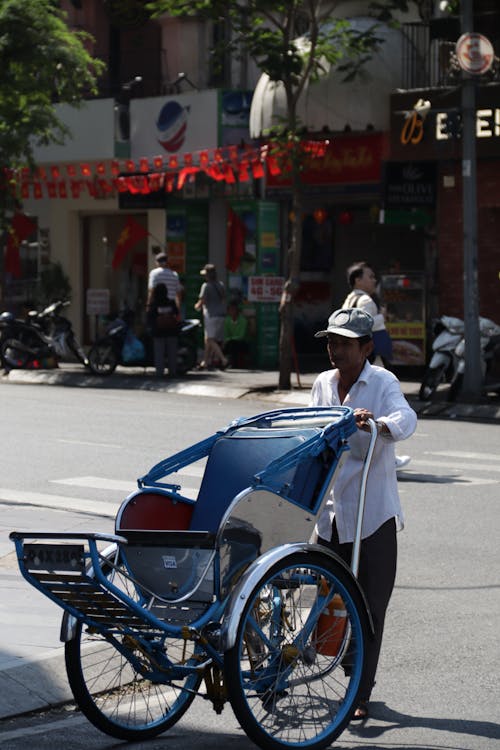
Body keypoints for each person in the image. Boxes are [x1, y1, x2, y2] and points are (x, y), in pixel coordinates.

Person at [310, 307, 417, 722]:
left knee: (371, 609)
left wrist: (380, 425)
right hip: (331, 514)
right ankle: (333, 670)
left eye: (344, 343)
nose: (335, 350)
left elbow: (405, 418)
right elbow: (310, 426)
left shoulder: (383, 381)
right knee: (330, 600)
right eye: (331, 342)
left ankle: (360, 691)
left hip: (373, 516)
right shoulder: (322, 383)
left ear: (366, 347)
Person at [343, 261, 411, 470]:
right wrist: (383, 315)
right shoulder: (364, 300)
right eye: (370, 276)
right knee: (379, 403)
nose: (373, 280)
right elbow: (367, 323)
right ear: (358, 280)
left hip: (355, 356)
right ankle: (388, 455)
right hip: (368, 354)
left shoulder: (349, 299)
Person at [194, 263, 228, 370]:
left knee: (210, 339)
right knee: (208, 339)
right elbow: (223, 299)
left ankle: (223, 359)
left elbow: (202, 301)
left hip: (211, 315)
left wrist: (196, 306)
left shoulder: (206, 286)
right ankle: (205, 362)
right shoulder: (221, 285)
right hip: (221, 315)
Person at [146, 283, 179, 378]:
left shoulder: (154, 304)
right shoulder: (171, 302)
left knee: (159, 354)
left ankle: (159, 373)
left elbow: (150, 317)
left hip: (158, 332)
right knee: (172, 354)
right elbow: (176, 313)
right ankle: (172, 372)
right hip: (172, 331)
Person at [223, 301, 249, 367]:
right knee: (228, 344)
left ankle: (235, 363)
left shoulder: (243, 320)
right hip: (230, 342)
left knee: (233, 344)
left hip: (242, 342)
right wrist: (228, 340)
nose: (232, 312)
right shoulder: (227, 320)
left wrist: (230, 339)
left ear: (237, 311)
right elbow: (226, 334)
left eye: (233, 310)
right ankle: (227, 362)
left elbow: (241, 336)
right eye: (230, 310)